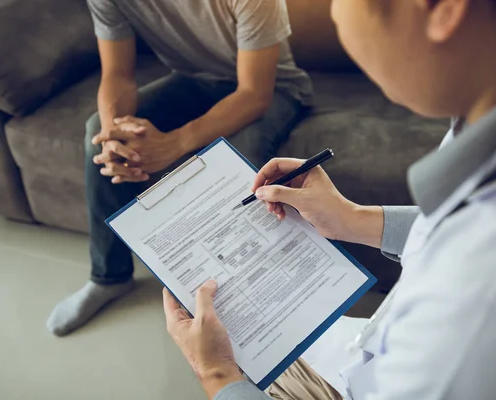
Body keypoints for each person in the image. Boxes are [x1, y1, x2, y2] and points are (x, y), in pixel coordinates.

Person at [163, 0, 496, 399]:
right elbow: (461, 226)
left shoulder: (480, 304)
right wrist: (352, 218)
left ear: (444, 10)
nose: (334, 14)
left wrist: (217, 375)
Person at [46, 0, 313, 336]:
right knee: (95, 134)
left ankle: (256, 297)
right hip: (192, 80)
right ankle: (109, 276)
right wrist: (115, 134)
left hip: (274, 89)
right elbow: (116, 74)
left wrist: (174, 143)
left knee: (237, 158)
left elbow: (254, 93)